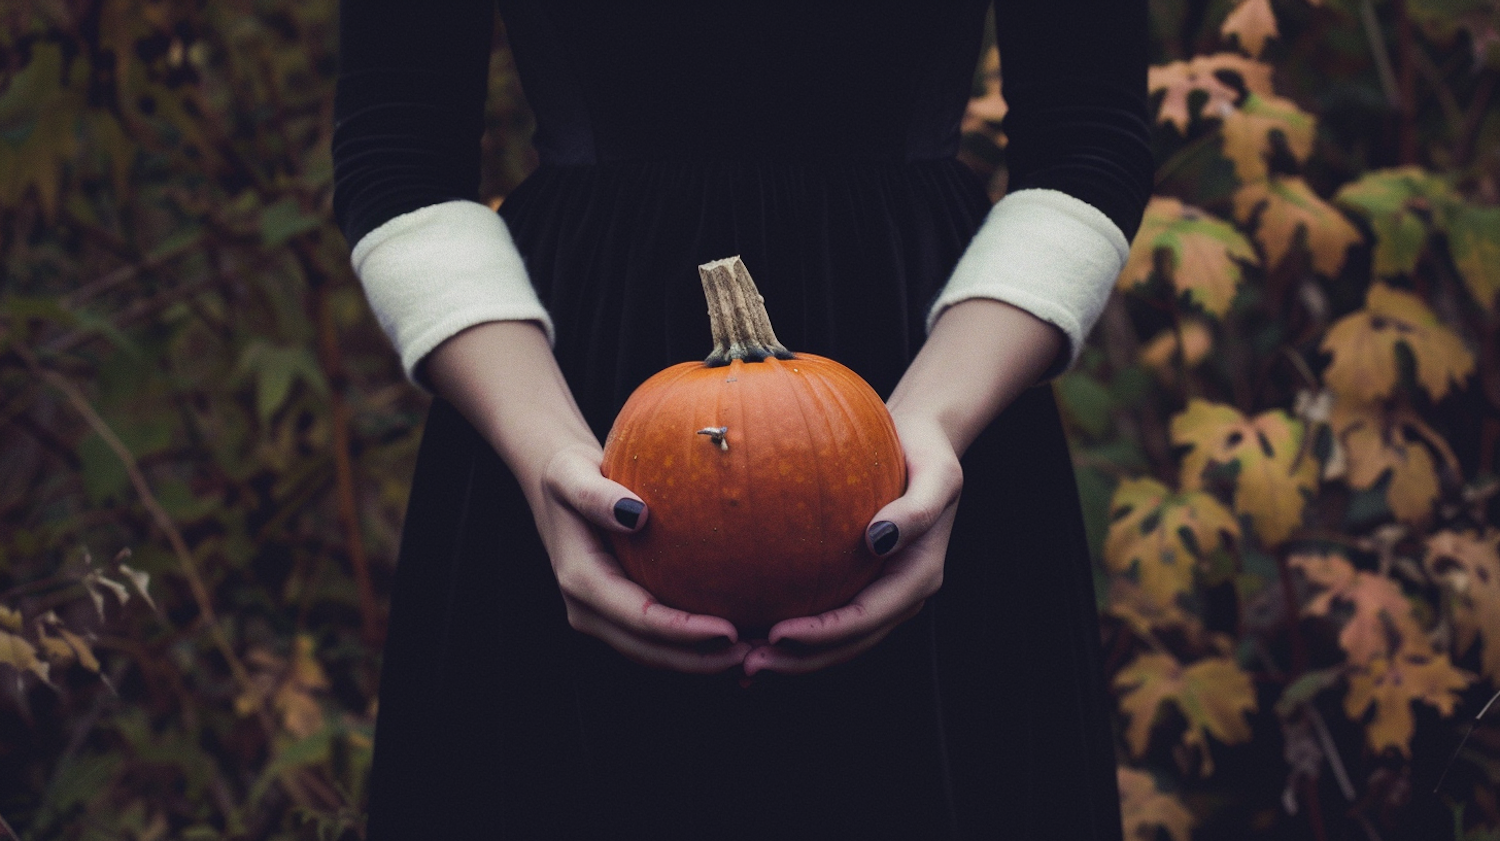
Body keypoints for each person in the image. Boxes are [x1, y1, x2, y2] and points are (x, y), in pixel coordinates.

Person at [332, 0, 1152, 838]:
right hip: (556, 387)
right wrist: (545, 453)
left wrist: (923, 429)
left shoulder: (935, 420)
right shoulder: (549, 436)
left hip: (945, 364)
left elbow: (1088, 133)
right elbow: (400, 149)